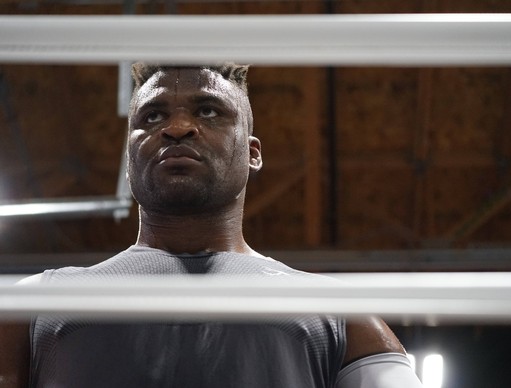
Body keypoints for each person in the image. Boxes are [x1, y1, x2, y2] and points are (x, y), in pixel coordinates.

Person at [0, 63, 423, 387]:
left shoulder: (342, 315)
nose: (178, 128)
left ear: (253, 153)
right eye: (151, 117)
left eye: (208, 111)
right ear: (129, 162)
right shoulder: (31, 307)